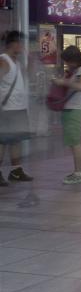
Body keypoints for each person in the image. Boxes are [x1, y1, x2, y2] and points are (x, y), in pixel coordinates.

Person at [0, 31, 33, 185]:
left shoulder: (16, 62)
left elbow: (26, 77)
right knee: (2, 141)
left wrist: (30, 60)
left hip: (18, 108)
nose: (23, 46)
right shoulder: (3, 61)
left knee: (16, 141)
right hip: (7, 109)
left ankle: (16, 171)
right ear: (13, 44)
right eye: (21, 43)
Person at [54, 46, 81, 185]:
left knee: (75, 142)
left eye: (67, 61)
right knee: (73, 142)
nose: (66, 64)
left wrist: (63, 82)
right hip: (70, 108)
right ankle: (77, 171)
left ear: (74, 59)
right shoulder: (77, 71)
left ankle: (79, 173)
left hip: (75, 109)